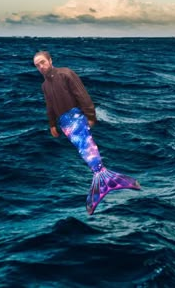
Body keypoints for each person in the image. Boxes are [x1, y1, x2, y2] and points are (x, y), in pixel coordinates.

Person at [34, 50, 140, 215]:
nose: (40, 66)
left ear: (50, 60)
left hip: (76, 117)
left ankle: (106, 180)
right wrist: (52, 125)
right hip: (64, 124)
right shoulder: (44, 85)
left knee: (88, 149)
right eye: (37, 65)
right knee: (83, 151)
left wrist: (91, 116)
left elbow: (82, 95)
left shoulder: (66, 73)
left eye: (42, 62)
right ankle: (104, 181)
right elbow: (50, 106)